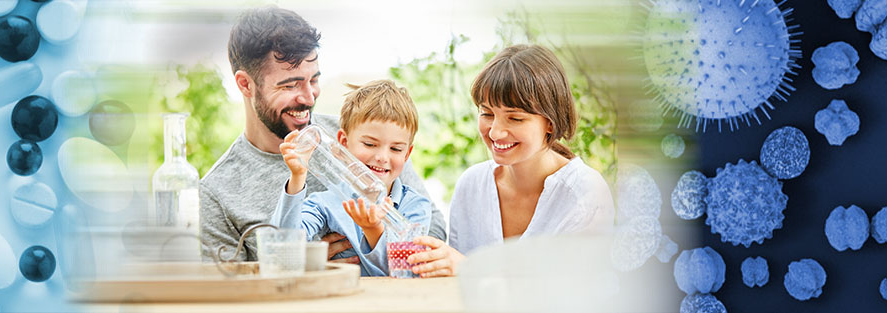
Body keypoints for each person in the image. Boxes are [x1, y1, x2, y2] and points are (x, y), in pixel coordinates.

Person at [199, 6, 446, 263]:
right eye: (291, 84)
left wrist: (369, 253)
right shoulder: (217, 193)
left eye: (314, 80)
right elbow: (227, 292)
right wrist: (307, 264)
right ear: (245, 84)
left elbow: (434, 232)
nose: (308, 97)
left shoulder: (365, 140)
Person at [407, 44, 615, 277]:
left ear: (550, 122)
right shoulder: (471, 185)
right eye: (487, 114)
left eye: (515, 118)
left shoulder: (585, 194)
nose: (495, 132)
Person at [272, 80, 431, 276]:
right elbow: (282, 247)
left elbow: (408, 274)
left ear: (407, 155)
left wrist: (373, 230)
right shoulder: (326, 203)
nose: (382, 157)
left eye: (396, 149)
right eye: (370, 144)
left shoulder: (415, 207)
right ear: (343, 144)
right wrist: (297, 177)